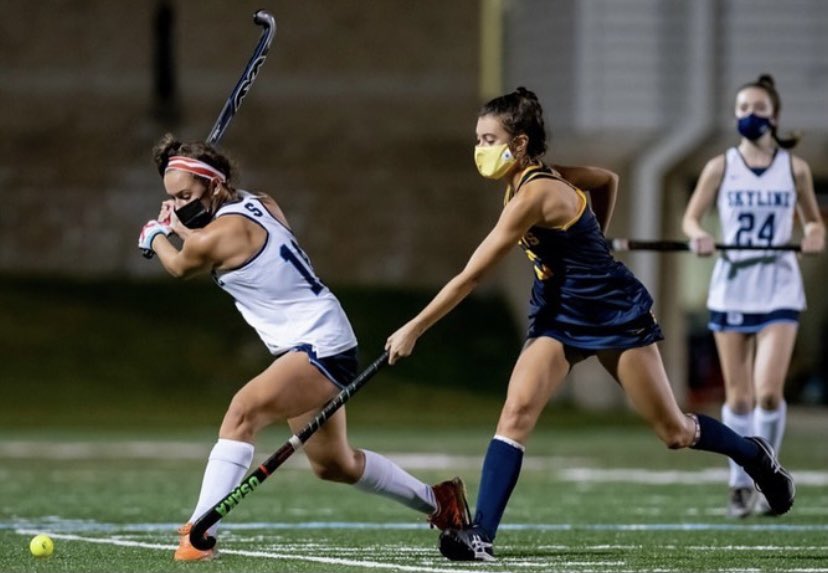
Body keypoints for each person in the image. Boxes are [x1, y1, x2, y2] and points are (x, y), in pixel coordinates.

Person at [384, 87, 796, 562]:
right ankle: (482, 536)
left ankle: (754, 456)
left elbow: (472, 275)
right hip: (559, 312)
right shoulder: (526, 181)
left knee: (675, 432)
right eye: (477, 139)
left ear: (518, 144)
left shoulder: (536, 192)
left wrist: (414, 327)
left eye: (488, 139)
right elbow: (605, 180)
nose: (479, 149)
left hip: (610, 310)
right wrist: (593, 234)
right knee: (516, 413)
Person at [138, 134, 471, 561]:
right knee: (335, 465)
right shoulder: (262, 202)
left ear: (213, 185)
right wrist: (184, 225)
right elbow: (213, 238)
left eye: (185, 194)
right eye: (173, 197)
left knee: (243, 412)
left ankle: (201, 531)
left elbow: (181, 265)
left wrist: (155, 236)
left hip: (318, 345)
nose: (180, 203)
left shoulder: (226, 231)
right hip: (314, 340)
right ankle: (440, 502)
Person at [682, 74, 825, 518]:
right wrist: (700, 237)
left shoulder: (794, 168)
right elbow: (691, 220)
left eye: (757, 108)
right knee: (740, 399)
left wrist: (816, 233)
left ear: (774, 116)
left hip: (779, 286)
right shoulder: (720, 166)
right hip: (732, 287)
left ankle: (769, 479)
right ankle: (738, 484)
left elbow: (814, 222)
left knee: (767, 393)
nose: (749, 115)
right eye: (741, 108)